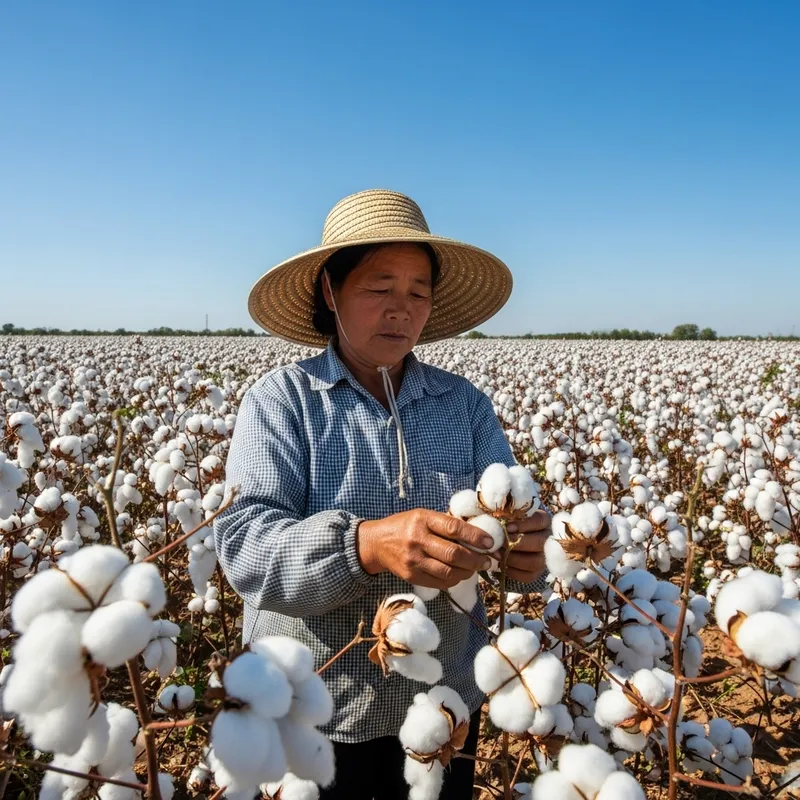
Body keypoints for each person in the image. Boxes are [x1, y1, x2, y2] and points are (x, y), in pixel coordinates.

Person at [215, 189, 550, 799]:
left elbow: (512, 526)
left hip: (443, 708)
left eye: (419, 291)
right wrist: (365, 544)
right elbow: (244, 548)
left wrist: (528, 555)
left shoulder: (465, 406)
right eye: (379, 288)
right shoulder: (281, 403)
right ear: (329, 291)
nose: (402, 309)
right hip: (316, 710)